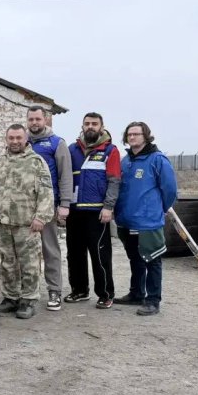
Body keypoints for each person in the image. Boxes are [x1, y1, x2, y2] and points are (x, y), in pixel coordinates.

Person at [0, 124, 54, 319]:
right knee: (7, 262)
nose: (15, 141)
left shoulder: (36, 162)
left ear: (26, 139)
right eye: (11, 138)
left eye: (18, 138)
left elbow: (46, 192)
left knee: (29, 263)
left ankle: (29, 299)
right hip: (2, 221)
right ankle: (11, 297)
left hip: (26, 223)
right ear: (6, 139)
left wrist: (41, 217)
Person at [114, 122, 178, 316]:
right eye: (129, 134)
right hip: (126, 220)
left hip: (148, 222)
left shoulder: (157, 159)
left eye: (136, 134)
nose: (132, 137)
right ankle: (136, 293)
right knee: (135, 259)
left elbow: (170, 189)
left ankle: (153, 300)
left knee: (152, 260)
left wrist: (159, 209)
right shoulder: (126, 161)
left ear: (146, 136)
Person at [65, 112, 121, 309]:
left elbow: (114, 181)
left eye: (94, 124)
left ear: (101, 127)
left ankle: (105, 294)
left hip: (97, 212)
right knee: (74, 254)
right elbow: (65, 179)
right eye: (87, 123)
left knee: (100, 255)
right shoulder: (71, 150)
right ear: (82, 126)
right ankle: (79, 290)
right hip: (74, 212)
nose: (90, 126)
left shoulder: (110, 150)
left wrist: (108, 207)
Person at [26, 105, 73, 311]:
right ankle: (26, 291)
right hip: (25, 206)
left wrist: (65, 204)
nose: (34, 123)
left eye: (38, 119)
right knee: (26, 251)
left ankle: (54, 290)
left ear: (45, 120)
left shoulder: (56, 143)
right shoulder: (22, 142)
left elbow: (65, 175)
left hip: (48, 206)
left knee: (50, 249)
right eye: (31, 119)